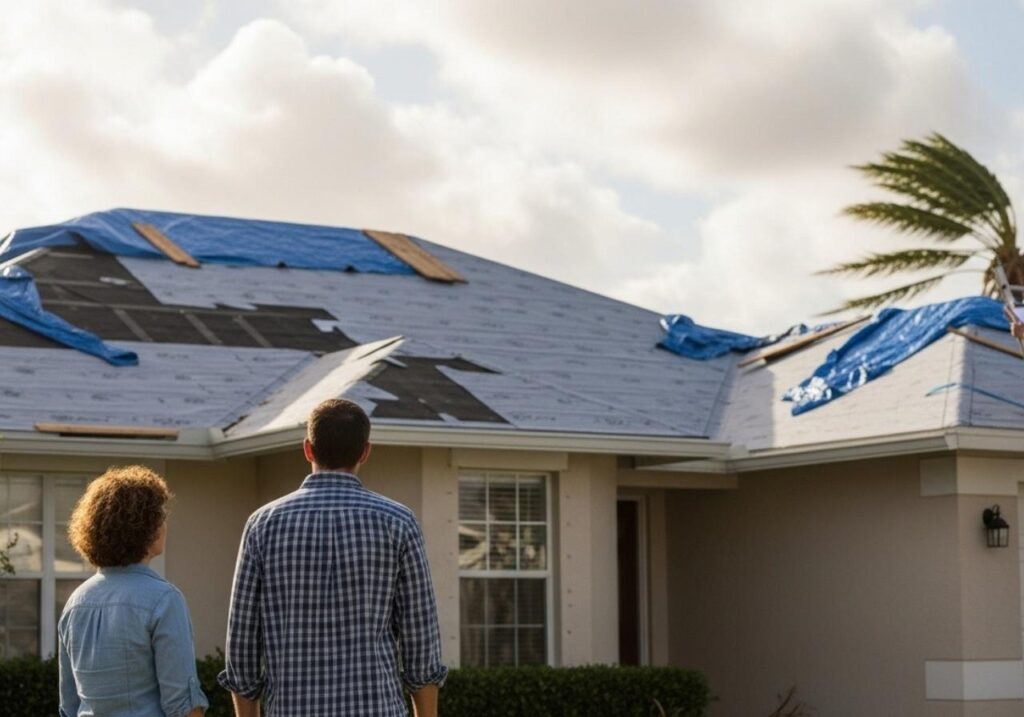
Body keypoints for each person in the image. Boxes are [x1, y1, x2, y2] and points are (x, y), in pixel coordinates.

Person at [219, 398, 446, 717]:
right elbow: (421, 642)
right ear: (365, 452)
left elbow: (242, 646)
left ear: (308, 449)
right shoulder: (398, 522)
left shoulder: (263, 524)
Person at [59, 466, 209, 717]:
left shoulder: (75, 602)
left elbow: (68, 706)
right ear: (145, 528)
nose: (165, 525)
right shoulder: (163, 600)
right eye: (160, 516)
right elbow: (182, 705)